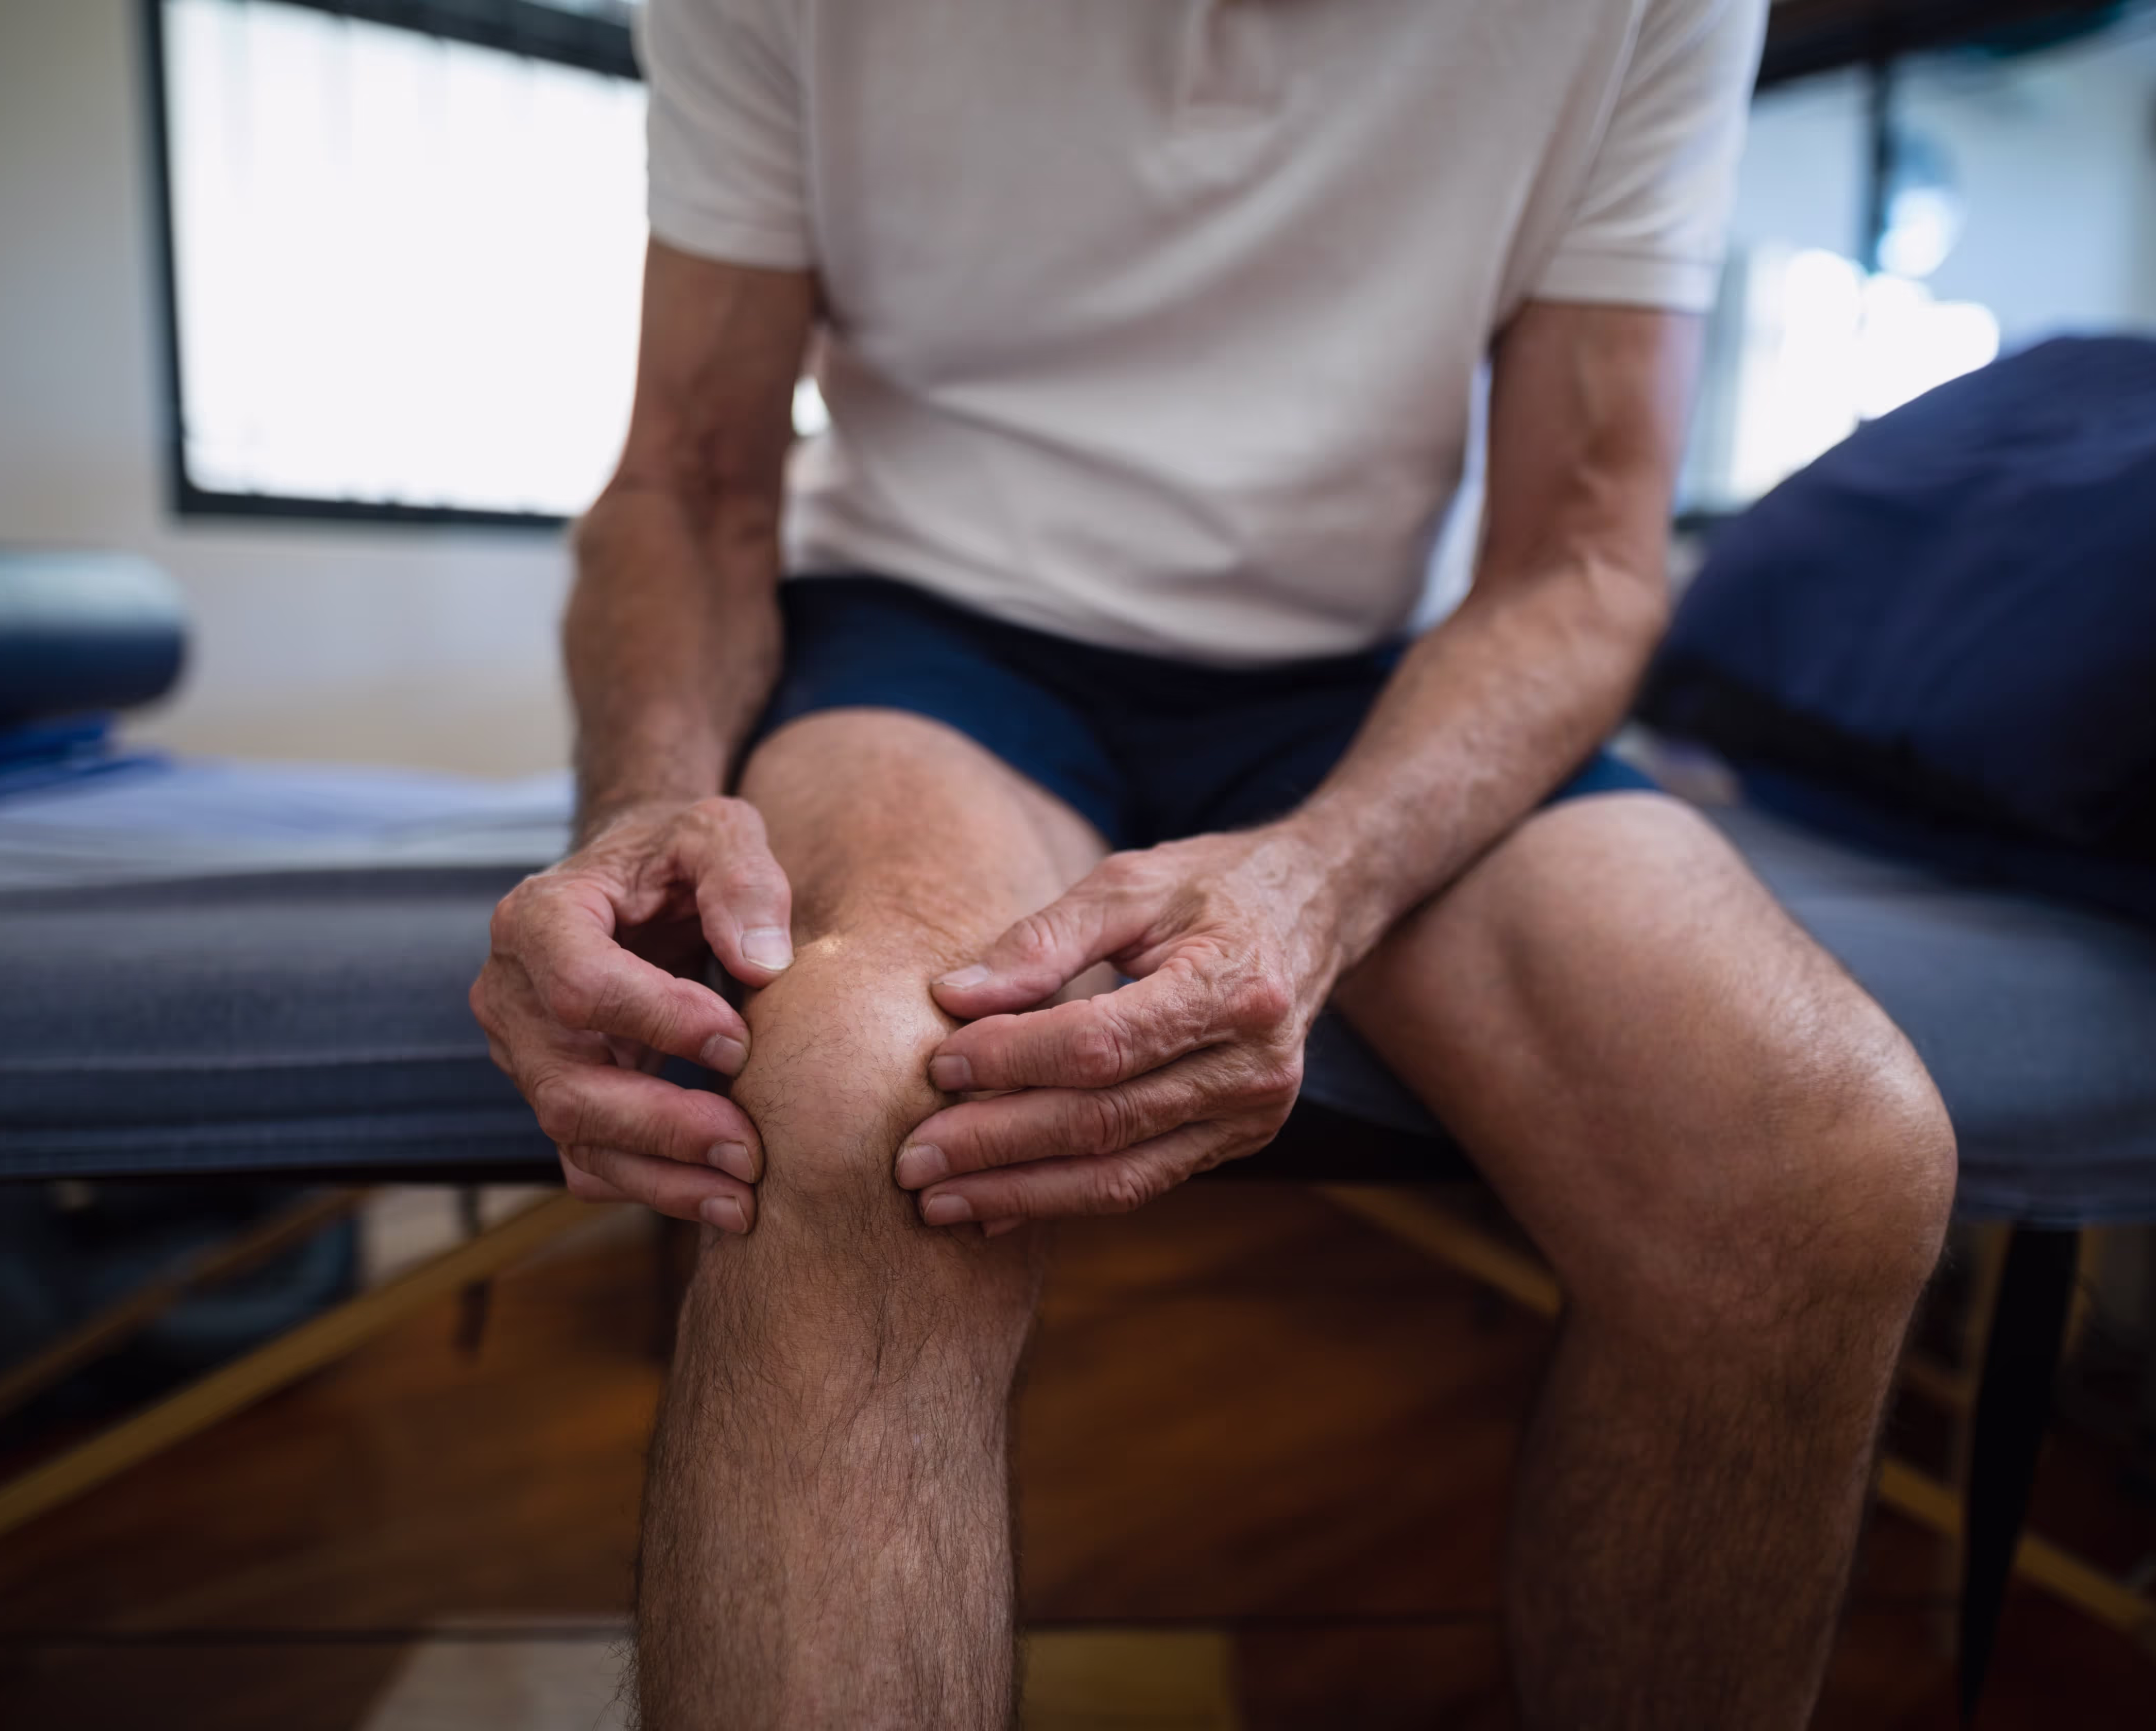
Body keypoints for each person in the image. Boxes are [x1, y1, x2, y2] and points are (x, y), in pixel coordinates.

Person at [470, 0, 1958, 1723]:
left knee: (1823, 1160)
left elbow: (1581, 559)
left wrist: (1320, 884)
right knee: (867, 1095)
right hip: (936, 638)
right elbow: (693, 474)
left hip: (1374, 691)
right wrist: (647, 794)